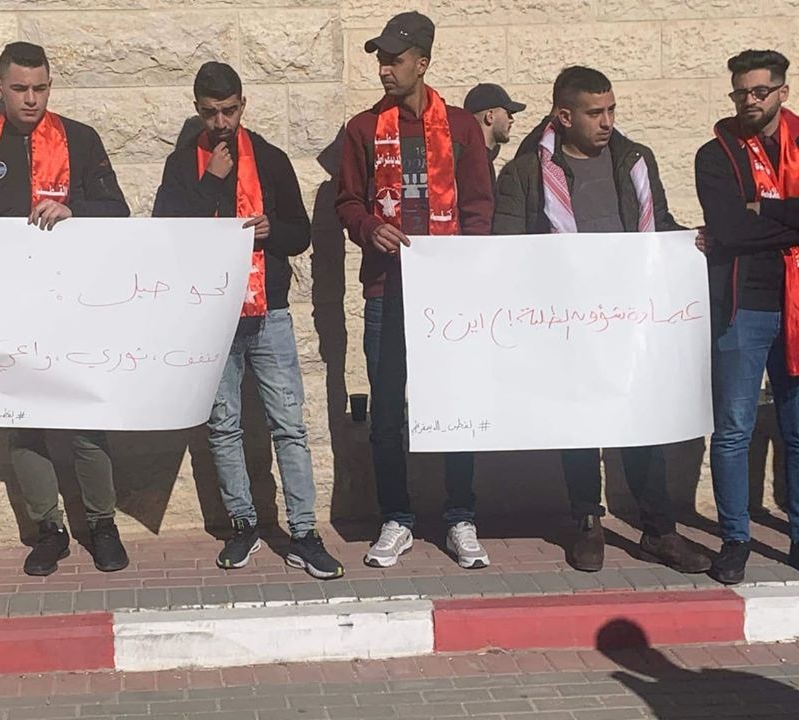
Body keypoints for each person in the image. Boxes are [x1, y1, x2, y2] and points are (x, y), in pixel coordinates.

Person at [493, 65, 710, 575]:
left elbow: (657, 225)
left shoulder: (635, 160)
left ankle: (658, 530)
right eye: (595, 113)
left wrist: (689, 241)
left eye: (611, 110)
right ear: (564, 116)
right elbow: (505, 248)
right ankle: (587, 522)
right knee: (580, 425)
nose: (607, 121)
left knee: (641, 425)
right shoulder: (526, 172)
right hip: (565, 322)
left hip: (632, 318)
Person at [0, 42, 131, 577]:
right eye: (20, 88)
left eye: (41, 88)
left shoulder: (81, 140)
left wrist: (74, 209)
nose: (31, 98)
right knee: (23, 424)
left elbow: (118, 211)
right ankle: (49, 530)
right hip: (6, 310)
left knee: (85, 420)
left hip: (73, 308)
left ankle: (102, 524)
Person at [152, 61, 344, 580]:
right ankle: (243, 524)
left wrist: (270, 230)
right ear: (197, 109)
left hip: (269, 311)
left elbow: (300, 234)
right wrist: (211, 184)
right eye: (211, 113)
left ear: (243, 104)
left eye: (230, 111)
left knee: (289, 425)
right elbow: (165, 236)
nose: (221, 122)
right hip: (211, 313)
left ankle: (303, 533)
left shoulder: (271, 158)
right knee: (223, 425)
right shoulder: (182, 165)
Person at [335, 12, 495, 569]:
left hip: (448, 294)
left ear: (422, 62)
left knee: (454, 405)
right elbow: (346, 202)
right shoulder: (362, 129)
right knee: (386, 412)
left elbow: (479, 207)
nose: (385, 69)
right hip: (387, 289)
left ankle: (460, 515)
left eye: (395, 59)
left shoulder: (462, 127)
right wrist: (367, 227)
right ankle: (396, 517)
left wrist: (465, 271)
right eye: (380, 59)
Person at [696, 49, 799, 585]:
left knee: (796, 430)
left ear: (782, 91)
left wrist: (766, 208)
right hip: (745, 307)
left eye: (759, 91)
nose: (749, 101)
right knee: (733, 429)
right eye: (741, 92)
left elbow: (745, 224)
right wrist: (784, 219)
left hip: (796, 305)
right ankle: (735, 538)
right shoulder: (716, 153)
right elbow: (730, 230)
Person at [463, 83, 526, 183]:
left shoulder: (479, 158)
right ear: (490, 116)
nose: (511, 120)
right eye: (508, 113)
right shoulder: (475, 164)